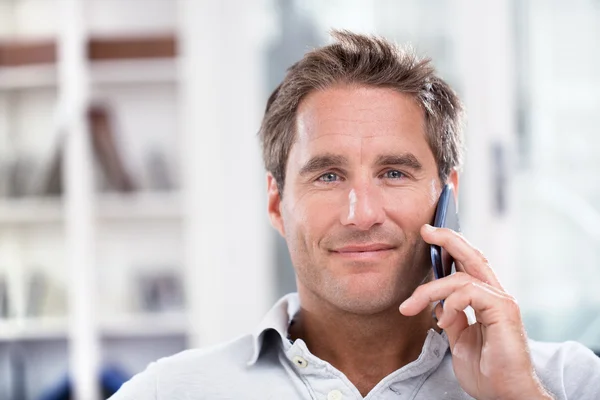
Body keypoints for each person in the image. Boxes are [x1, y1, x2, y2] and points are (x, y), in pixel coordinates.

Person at [110, 30, 600, 400]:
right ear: (277, 203)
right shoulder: (168, 391)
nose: (361, 213)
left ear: (447, 196)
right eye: (327, 176)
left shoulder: (568, 382)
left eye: (393, 173)